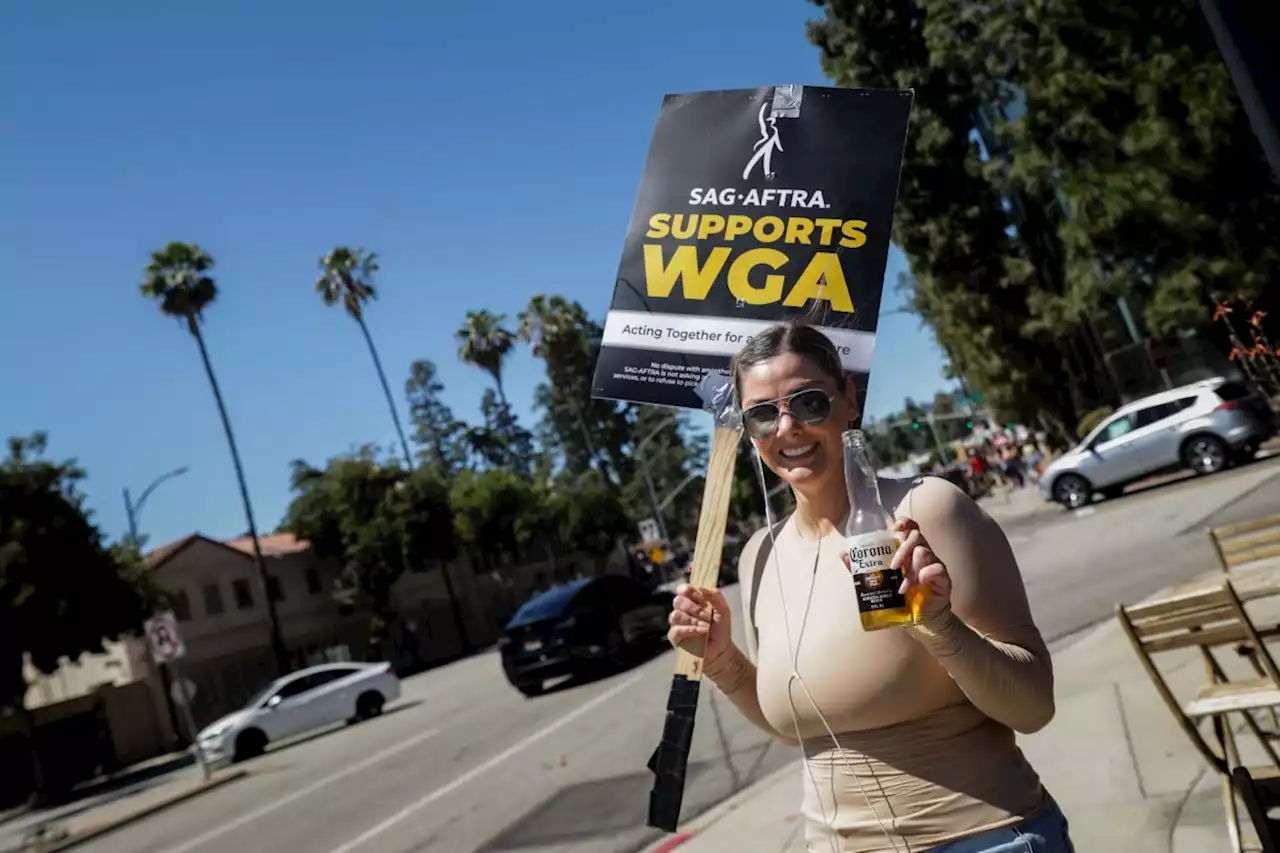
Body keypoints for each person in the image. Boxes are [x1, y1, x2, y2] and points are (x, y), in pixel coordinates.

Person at [667, 321, 1072, 853]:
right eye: (763, 414)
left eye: (808, 402)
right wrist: (723, 663)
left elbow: (1033, 707)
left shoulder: (927, 510)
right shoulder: (759, 556)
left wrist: (940, 626)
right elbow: (800, 726)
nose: (786, 427)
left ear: (848, 399)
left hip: (983, 840)